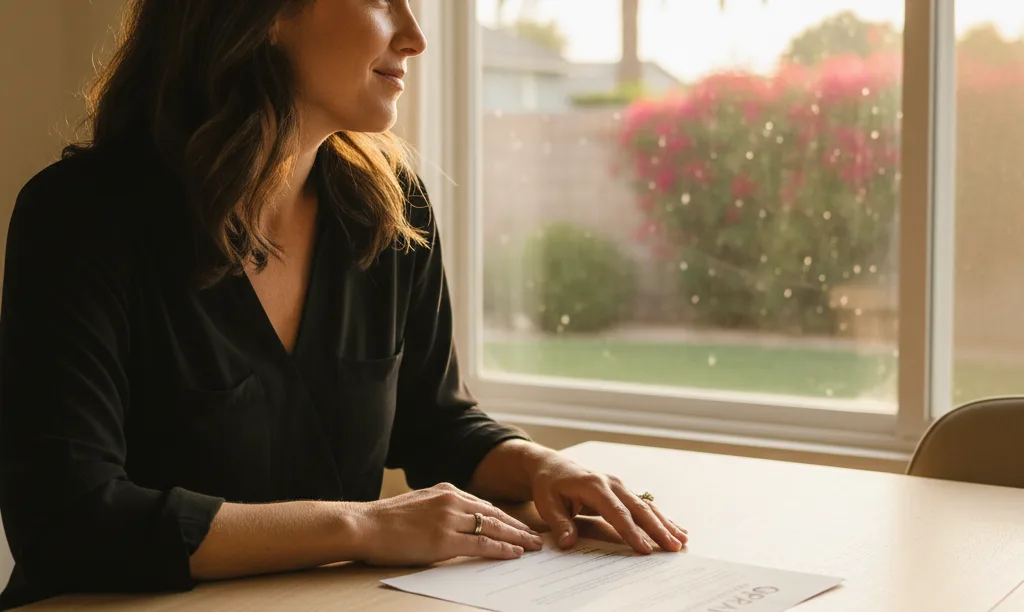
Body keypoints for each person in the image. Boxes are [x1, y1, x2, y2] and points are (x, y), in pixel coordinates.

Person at [0, 0, 688, 608]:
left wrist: (545, 466)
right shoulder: (80, 218)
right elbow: (66, 520)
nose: (414, 34)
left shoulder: (390, 212)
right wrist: (362, 525)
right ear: (265, 14)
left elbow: (435, 421)